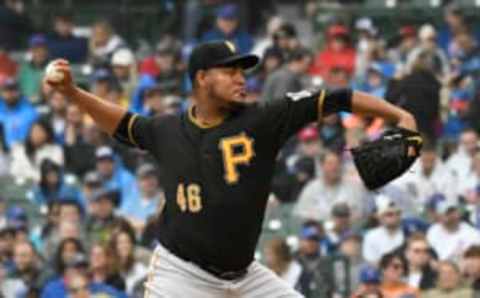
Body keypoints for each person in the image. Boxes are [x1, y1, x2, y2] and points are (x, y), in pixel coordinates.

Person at [45, 40, 418, 297]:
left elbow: (339, 98)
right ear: (202, 78)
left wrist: (400, 114)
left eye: (243, 70)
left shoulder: (264, 118)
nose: (242, 77)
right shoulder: (167, 129)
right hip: (182, 275)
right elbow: (123, 123)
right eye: (229, 70)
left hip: (245, 275)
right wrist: (74, 94)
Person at [363, 195, 405, 265]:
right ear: (380, 217)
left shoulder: (407, 232)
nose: (394, 217)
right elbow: (371, 262)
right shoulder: (371, 236)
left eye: (397, 213)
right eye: (389, 214)